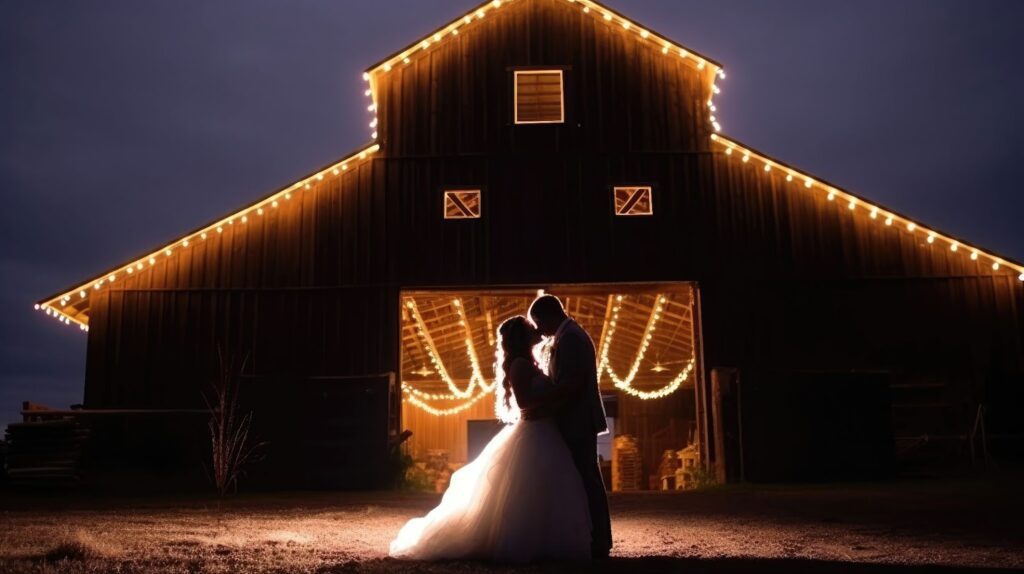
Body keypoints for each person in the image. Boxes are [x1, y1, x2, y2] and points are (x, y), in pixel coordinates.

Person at [389, 316, 592, 562]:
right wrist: (562, 394)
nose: (536, 330)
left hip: (545, 430)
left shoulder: (528, 362)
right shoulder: (519, 365)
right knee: (530, 488)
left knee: (551, 487)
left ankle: (546, 540)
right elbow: (525, 403)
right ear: (521, 337)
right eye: (530, 329)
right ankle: (526, 541)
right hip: (536, 432)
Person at [526, 294, 613, 559]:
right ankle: (591, 537)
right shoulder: (566, 337)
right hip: (573, 418)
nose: (539, 331)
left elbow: (572, 384)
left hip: (576, 419)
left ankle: (599, 539)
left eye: (539, 323)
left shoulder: (571, 339)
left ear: (549, 316)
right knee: (582, 478)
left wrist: (545, 407)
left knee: (587, 478)